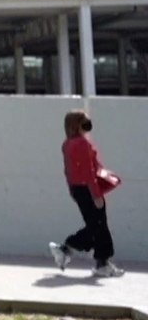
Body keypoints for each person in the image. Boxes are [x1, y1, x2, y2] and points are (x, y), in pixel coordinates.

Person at [48, 110, 125, 277]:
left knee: (96, 225)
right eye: (84, 123)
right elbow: (88, 171)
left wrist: (72, 190)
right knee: (98, 225)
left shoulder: (67, 144)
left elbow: (68, 170)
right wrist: (96, 194)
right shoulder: (82, 143)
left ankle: (74, 253)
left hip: (79, 189)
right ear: (77, 125)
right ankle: (75, 251)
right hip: (88, 188)